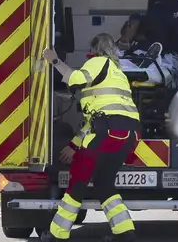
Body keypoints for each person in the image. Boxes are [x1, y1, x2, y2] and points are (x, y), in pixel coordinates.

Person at [41, 33, 140, 242]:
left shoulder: (98, 62)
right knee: (104, 183)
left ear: (96, 49)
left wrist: (55, 60)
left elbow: (75, 78)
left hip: (107, 130)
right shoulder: (118, 73)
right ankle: (125, 232)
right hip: (128, 135)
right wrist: (73, 146)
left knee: (78, 179)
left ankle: (57, 234)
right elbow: (91, 124)